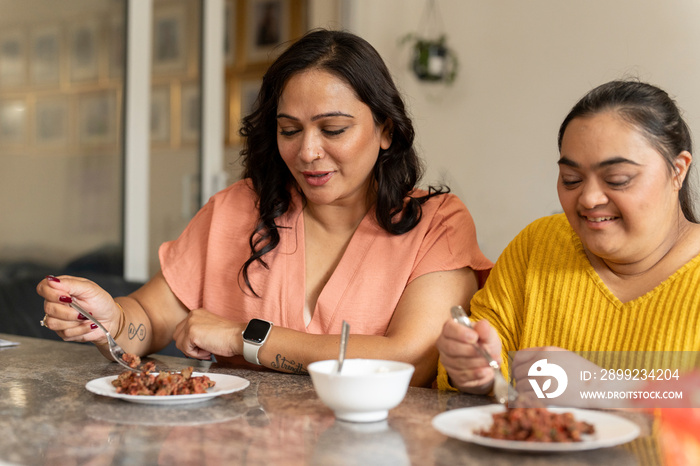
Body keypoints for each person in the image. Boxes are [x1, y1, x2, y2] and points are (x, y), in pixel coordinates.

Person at [36, 29, 492, 387]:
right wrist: (109, 319)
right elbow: (150, 320)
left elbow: (409, 360)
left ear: (386, 129)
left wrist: (244, 337)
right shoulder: (237, 209)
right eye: (289, 130)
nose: (308, 152)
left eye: (333, 129)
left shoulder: (438, 224)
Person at [436, 80, 700, 394]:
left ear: (678, 170)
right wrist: (471, 372)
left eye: (617, 179)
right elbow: (492, 369)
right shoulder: (537, 245)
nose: (588, 198)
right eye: (571, 179)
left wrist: (607, 390)